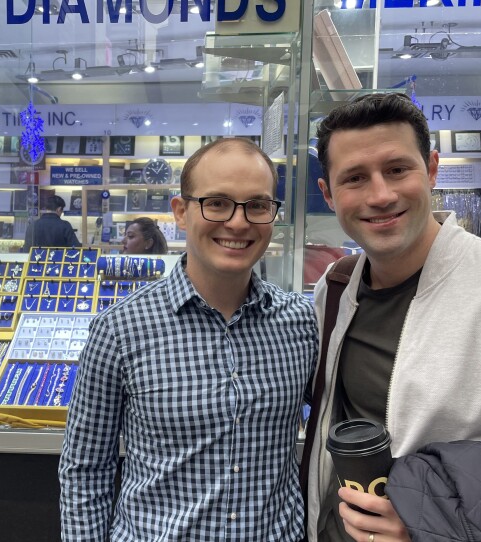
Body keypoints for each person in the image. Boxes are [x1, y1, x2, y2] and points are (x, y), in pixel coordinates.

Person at [307, 92, 481, 542]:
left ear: (431, 169)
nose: (381, 194)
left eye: (397, 170)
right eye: (355, 178)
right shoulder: (334, 290)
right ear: (328, 194)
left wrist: (430, 521)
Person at [59, 138, 317, 540]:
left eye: (258, 205)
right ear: (180, 212)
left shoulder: (300, 322)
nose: (238, 222)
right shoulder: (120, 329)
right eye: (216, 202)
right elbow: (86, 468)